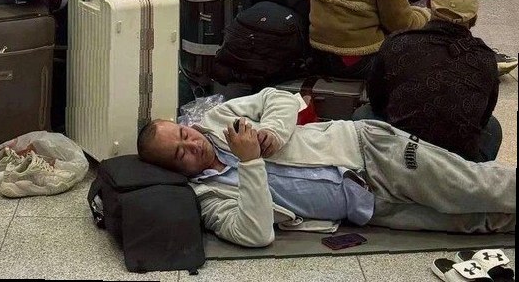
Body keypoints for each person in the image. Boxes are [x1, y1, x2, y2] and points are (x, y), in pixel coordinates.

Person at [137, 88, 516, 248]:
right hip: (368, 207)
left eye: (184, 133)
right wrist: (250, 162)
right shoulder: (208, 197)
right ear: (175, 172)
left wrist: (273, 132)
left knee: (474, 187)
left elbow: (279, 97)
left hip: (369, 151)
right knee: (472, 222)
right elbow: (255, 234)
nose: (193, 144)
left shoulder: (220, 120)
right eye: (181, 154)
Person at [355, 0, 512, 162]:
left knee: (362, 114)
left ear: (429, 4)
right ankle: (473, 177)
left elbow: (377, 100)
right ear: (474, 18)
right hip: (456, 166)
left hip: (399, 158)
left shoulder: (397, 43)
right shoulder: (485, 58)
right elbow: (483, 118)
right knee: (493, 127)